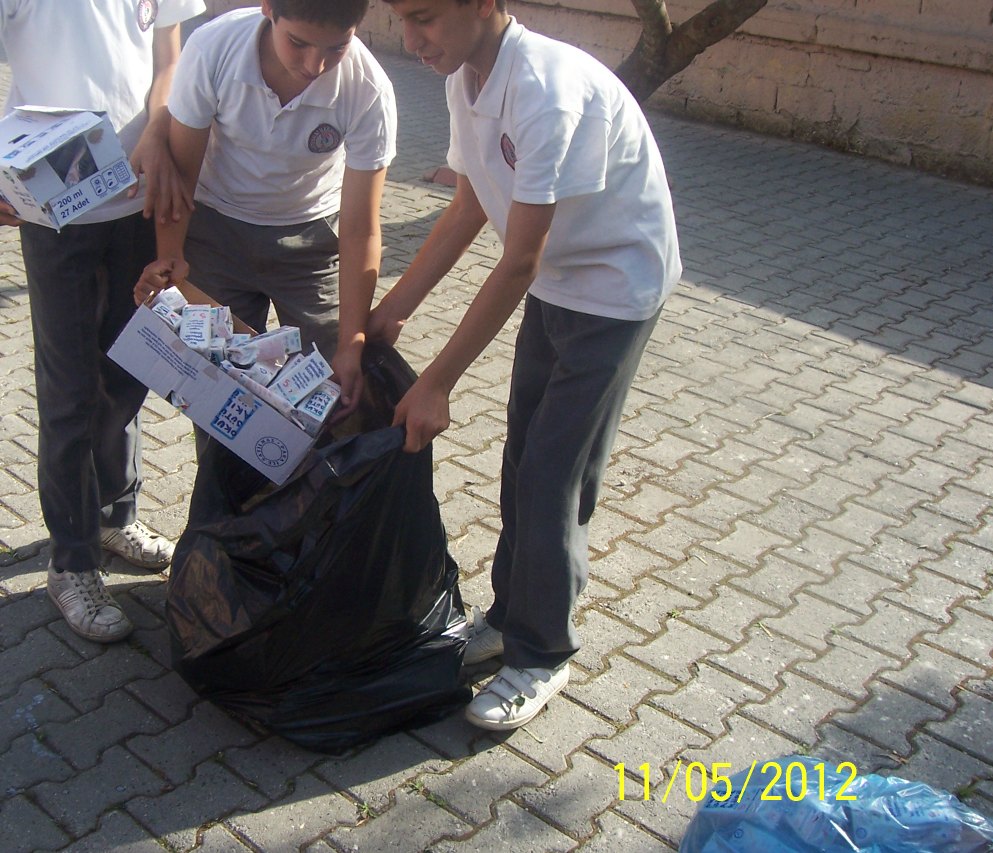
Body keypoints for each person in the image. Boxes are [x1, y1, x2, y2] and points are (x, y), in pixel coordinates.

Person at [372, 0, 682, 730]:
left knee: (555, 470)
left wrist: (436, 380)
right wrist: (395, 310)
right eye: (402, 20)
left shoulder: (545, 88)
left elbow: (517, 261)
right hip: (558, 280)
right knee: (523, 452)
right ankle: (511, 613)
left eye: (424, 18)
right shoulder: (465, 74)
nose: (411, 40)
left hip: (614, 286)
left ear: (482, 4)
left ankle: (543, 652)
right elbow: (468, 208)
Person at [0, 0, 205, 645]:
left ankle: (114, 512)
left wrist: (158, 129)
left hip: (139, 207)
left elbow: (170, 62)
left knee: (129, 375)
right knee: (71, 390)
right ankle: (72, 560)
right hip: (56, 219)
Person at [137, 0, 397, 414]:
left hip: (311, 242)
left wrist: (351, 343)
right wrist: (171, 254)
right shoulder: (212, 48)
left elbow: (361, 228)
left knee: (332, 393)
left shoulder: (367, 88)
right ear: (268, 9)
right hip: (216, 232)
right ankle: (224, 480)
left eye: (336, 47)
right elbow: (183, 175)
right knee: (219, 395)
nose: (315, 65)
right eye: (298, 42)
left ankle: (314, 479)